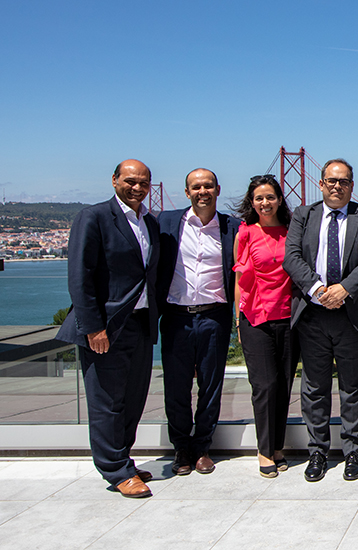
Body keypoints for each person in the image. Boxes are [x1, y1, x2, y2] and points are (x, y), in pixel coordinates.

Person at [55, 159, 160, 498]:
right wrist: (93, 327)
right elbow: (80, 276)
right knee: (106, 402)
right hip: (106, 327)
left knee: (132, 399)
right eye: (130, 180)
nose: (137, 187)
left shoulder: (149, 222)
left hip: (141, 324)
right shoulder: (94, 217)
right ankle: (114, 470)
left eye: (143, 182)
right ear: (114, 180)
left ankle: (123, 460)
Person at [283, 158, 358, 483]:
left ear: (352, 186)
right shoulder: (303, 215)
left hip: (352, 314)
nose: (337, 186)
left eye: (343, 181)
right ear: (321, 183)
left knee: (354, 388)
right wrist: (317, 289)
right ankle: (318, 452)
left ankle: (353, 452)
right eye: (331, 180)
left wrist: (344, 289)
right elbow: (292, 256)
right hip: (313, 314)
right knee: (314, 388)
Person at [156, 168, 240, 476]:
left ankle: (203, 447)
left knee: (211, 386)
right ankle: (182, 448)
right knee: (176, 387)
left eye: (208, 186)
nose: (202, 191)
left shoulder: (233, 226)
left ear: (218, 189)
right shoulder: (165, 222)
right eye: (196, 187)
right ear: (187, 191)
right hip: (176, 316)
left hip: (215, 316)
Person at [233, 174, 299, 478]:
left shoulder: (291, 231)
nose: (265, 202)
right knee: (264, 386)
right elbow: (239, 278)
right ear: (252, 202)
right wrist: (238, 318)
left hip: (288, 316)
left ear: (279, 199)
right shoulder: (245, 233)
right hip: (255, 317)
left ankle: (277, 446)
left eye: (270, 196)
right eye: (259, 198)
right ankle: (263, 450)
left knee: (284, 385)